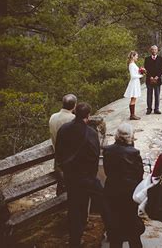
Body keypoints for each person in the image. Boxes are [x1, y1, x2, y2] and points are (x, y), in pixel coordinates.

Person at [55, 102, 111, 247]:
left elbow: (59, 153)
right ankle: (112, 231)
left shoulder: (63, 129)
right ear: (88, 116)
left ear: (75, 113)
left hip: (70, 176)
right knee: (104, 202)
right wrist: (91, 175)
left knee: (75, 208)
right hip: (87, 177)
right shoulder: (91, 133)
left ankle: (75, 240)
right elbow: (95, 154)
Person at [103, 123, 144, 248]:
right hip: (130, 193)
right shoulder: (134, 153)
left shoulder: (108, 150)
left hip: (112, 191)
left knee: (115, 226)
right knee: (132, 227)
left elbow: (107, 171)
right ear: (131, 136)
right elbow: (139, 174)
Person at [49, 93, 77, 194]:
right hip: (70, 157)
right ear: (74, 105)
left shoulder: (53, 117)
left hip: (57, 154)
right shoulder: (73, 119)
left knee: (61, 183)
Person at [144, 45, 162, 115]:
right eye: (152, 50)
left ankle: (156, 109)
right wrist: (150, 77)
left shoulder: (161, 59)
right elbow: (146, 69)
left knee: (157, 95)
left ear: (157, 50)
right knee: (149, 95)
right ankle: (149, 109)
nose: (154, 51)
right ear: (150, 51)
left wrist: (157, 76)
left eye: (155, 50)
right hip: (149, 79)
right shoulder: (147, 59)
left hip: (157, 80)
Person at [124, 51, 144, 120]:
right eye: (136, 56)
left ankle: (132, 114)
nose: (137, 57)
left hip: (136, 82)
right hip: (134, 82)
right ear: (133, 56)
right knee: (133, 99)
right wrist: (140, 75)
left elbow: (136, 72)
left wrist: (141, 71)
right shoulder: (131, 64)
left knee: (134, 99)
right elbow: (132, 76)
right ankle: (132, 115)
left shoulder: (133, 64)